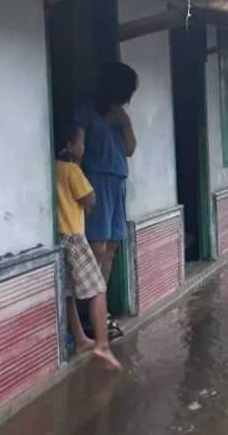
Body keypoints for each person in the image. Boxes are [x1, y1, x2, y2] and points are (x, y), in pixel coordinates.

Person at [74, 62, 138, 339]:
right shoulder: (86, 111)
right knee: (96, 249)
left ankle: (102, 313)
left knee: (110, 248)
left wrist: (126, 123)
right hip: (95, 182)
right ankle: (89, 316)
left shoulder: (120, 116)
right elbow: (77, 149)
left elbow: (130, 149)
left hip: (117, 182)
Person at [55, 123, 123, 371]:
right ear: (70, 146)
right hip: (74, 236)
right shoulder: (72, 170)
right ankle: (102, 345)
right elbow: (90, 199)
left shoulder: (51, 168)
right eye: (81, 142)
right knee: (97, 288)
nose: (84, 147)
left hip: (57, 238)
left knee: (69, 293)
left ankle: (81, 339)